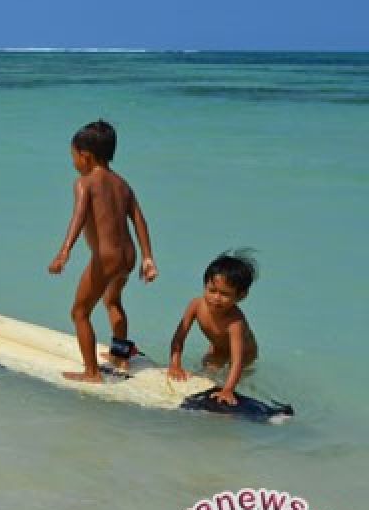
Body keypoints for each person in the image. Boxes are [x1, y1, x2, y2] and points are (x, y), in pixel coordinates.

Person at [48, 120, 158, 382]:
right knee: (112, 301)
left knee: (79, 312)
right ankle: (120, 356)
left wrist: (64, 251)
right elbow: (140, 220)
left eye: (73, 156)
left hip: (106, 258)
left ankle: (92, 373)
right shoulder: (123, 184)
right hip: (128, 256)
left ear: (85, 156)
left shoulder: (84, 182)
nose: (73, 162)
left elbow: (78, 216)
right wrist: (148, 258)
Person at [167, 251, 259, 406]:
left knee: (234, 381)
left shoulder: (235, 323)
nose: (216, 298)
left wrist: (228, 390)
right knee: (207, 373)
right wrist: (175, 365)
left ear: (241, 296)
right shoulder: (196, 305)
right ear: (205, 285)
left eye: (225, 294)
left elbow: (237, 361)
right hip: (217, 348)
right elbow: (179, 337)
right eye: (212, 290)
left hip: (245, 354)